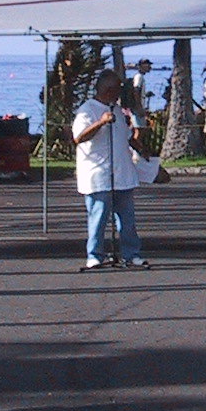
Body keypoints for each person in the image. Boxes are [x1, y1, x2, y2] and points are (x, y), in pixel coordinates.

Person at [73, 70, 146, 269]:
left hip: (121, 172)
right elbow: (79, 137)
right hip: (98, 174)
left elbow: (124, 136)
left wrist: (136, 143)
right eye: (118, 89)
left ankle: (132, 254)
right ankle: (95, 255)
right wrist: (101, 122)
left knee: (127, 219)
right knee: (98, 217)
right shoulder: (87, 110)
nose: (120, 93)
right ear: (109, 89)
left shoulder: (118, 111)